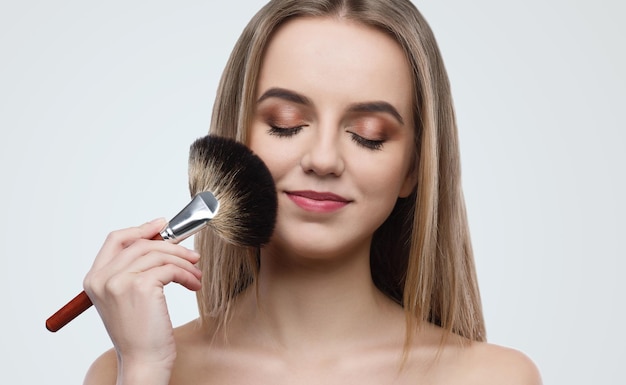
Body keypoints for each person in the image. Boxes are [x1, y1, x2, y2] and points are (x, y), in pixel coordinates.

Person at [83, 0, 542, 384]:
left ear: (413, 170)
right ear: (235, 145)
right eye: (286, 124)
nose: (323, 159)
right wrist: (143, 369)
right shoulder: (125, 371)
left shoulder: (493, 377)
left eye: (368, 133)